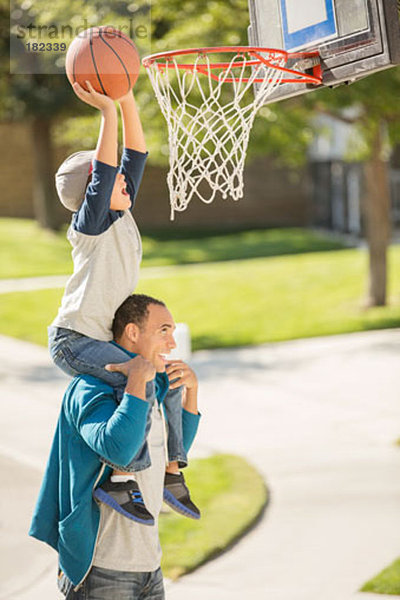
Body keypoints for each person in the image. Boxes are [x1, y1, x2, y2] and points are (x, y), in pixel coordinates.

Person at [47, 79, 199, 524]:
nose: (125, 183)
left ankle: (173, 471)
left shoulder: (121, 210)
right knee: (137, 377)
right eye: (112, 179)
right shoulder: (90, 225)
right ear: (95, 187)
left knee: (165, 378)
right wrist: (107, 114)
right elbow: (110, 169)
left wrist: (127, 97)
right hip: (74, 339)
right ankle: (118, 479)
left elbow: (135, 155)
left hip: (92, 337)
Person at [30, 293, 201, 599]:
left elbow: (171, 454)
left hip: (150, 567)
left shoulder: (151, 388)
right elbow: (118, 449)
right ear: (132, 332)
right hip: (102, 569)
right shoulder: (89, 388)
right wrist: (136, 379)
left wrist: (191, 392)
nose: (172, 344)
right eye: (164, 331)